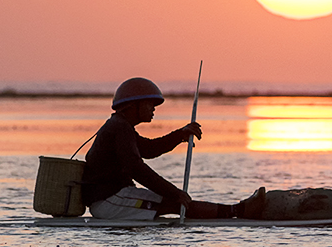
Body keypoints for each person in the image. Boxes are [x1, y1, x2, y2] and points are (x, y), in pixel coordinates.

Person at [81, 77, 266, 220]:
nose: (153, 109)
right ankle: (239, 211)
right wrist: (174, 193)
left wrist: (180, 135)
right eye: (149, 104)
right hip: (108, 201)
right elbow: (136, 169)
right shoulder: (119, 127)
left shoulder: (122, 127)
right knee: (176, 204)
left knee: (174, 203)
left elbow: (149, 149)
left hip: (115, 198)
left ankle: (236, 209)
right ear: (133, 106)